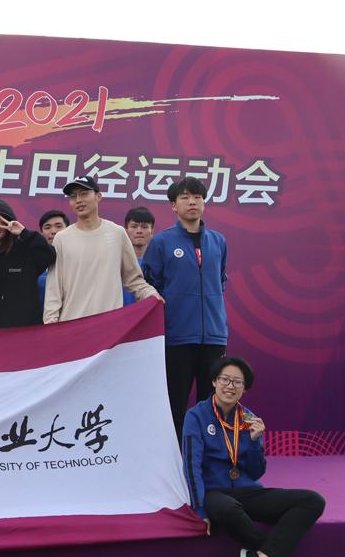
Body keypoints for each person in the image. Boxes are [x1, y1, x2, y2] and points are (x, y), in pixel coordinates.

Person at [183, 356, 326, 557]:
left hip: (247, 491)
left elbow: (256, 472)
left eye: (237, 382)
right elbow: (192, 465)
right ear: (214, 382)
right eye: (225, 379)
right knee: (228, 509)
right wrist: (199, 509)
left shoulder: (249, 419)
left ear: (245, 388)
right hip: (214, 492)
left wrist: (254, 441)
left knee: (312, 501)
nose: (230, 386)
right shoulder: (196, 416)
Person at [141, 177, 229, 441]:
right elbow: (151, 285)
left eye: (197, 197)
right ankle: (174, 456)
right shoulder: (162, 242)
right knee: (175, 402)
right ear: (173, 205)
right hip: (177, 335)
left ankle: (208, 454)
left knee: (212, 403)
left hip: (213, 336)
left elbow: (220, 280)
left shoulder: (218, 241)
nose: (192, 202)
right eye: (185, 197)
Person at [43, 176, 159, 324]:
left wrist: (151, 294)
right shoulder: (62, 238)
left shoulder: (117, 233)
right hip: (72, 325)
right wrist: (51, 323)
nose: (78, 200)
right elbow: (54, 289)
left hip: (109, 326)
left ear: (98, 196)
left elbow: (134, 280)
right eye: (73, 196)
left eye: (84, 194)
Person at [0, 200, 56, 329]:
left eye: (2, 222)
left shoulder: (24, 250)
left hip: (23, 331)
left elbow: (49, 256)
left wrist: (24, 233)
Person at [36, 209, 70, 312]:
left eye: (58, 226)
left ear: (68, 229)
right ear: (42, 233)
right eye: (47, 227)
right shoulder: (34, 262)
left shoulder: (79, 260)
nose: (53, 231)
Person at [121, 207, 155, 307]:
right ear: (126, 231)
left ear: (152, 231)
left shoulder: (159, 263)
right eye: (134, 226)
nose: (139, 231)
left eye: (144, 227)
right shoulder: (117, 261)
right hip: (120, 314)